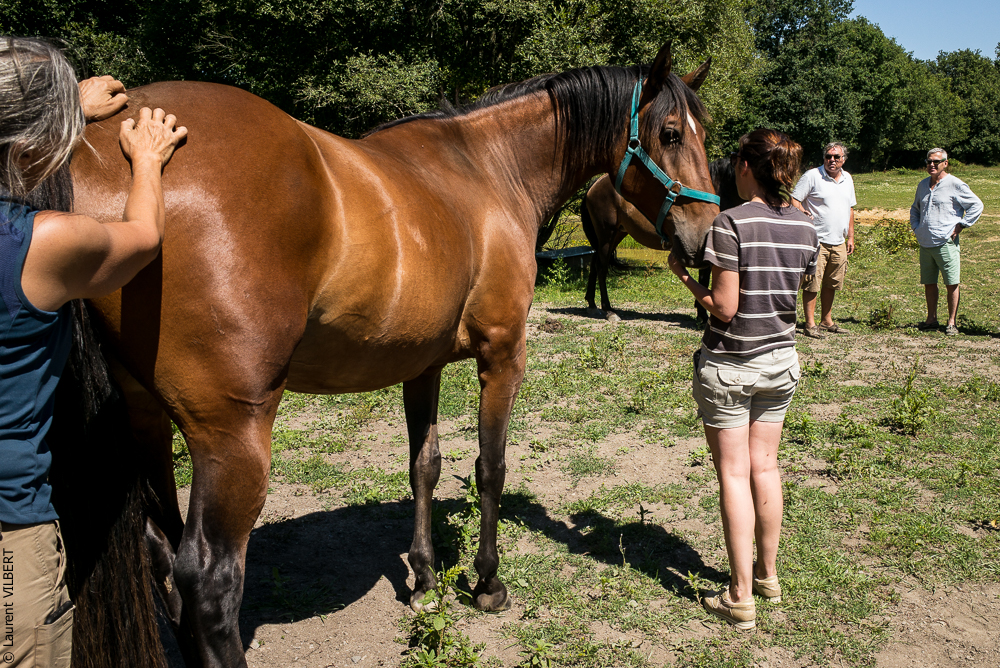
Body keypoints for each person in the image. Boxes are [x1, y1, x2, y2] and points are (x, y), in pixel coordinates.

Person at [0, 36, 186, 667]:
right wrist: (147, 161)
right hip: (10, 525)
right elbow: (141, 239)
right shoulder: (44, 246)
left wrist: (59, 110)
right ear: (31, 145)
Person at [667, 129, 818, 630]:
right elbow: (803, 286)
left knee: (734, 474)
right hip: (780, 361)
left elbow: (725, 308)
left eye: (736, 162)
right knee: (766, 468)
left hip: (731, 365)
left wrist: (686, 279)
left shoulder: (730, 224)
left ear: (748, 167)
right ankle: (767, 577)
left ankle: (739, 597)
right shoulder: (806, 224)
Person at [910, 148, 983, 336]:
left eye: (936, 161)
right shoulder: (923, 185)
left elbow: (976, 205)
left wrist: (962, 225)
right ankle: (931, 319)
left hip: (945, 242)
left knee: (951, 283)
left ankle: (951, 322)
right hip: (925, 242)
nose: (931, 165)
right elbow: (915, 209)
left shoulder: (955, 184)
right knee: (929, 283)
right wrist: (916, 228)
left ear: (945, 163)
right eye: (928, 162)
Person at [791, 142, 856, 339]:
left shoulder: (848, 179)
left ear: (843, 159)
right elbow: (794, 200)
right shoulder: (812, 176)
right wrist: (803, 212)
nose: (832, 160)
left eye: (836, 157)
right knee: (812, 283)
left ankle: (826, 320)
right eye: (828, 156)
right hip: (816, 241)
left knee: (832, 282)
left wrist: (851, 236)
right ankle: (810, 323)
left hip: (839, 241)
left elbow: (850, 208)